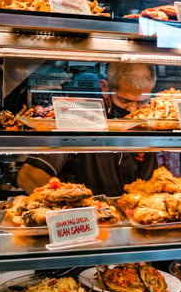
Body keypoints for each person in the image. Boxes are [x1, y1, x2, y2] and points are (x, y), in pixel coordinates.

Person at [16, 62, 159, 196]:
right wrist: (68, 203)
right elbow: (28, 176)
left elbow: (150, 185)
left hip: (129, 211)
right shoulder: (78, 116)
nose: (133, 109)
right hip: (81, 212)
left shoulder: (146, 127)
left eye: (142, 102)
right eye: (124, 100)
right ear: (105, 88)